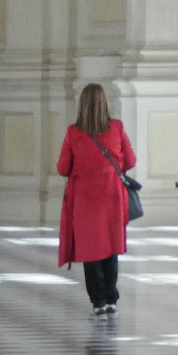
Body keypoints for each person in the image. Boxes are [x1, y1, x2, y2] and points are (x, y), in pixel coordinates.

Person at [57, 83, 137, 319]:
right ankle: (112, 299)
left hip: (84, 200)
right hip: (112, 197)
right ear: (105, 104)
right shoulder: (117, 128)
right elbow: (131, 160)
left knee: (89, 250)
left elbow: (63, 168)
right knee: (111, 247)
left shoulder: (73, 133)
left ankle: (98, 302)